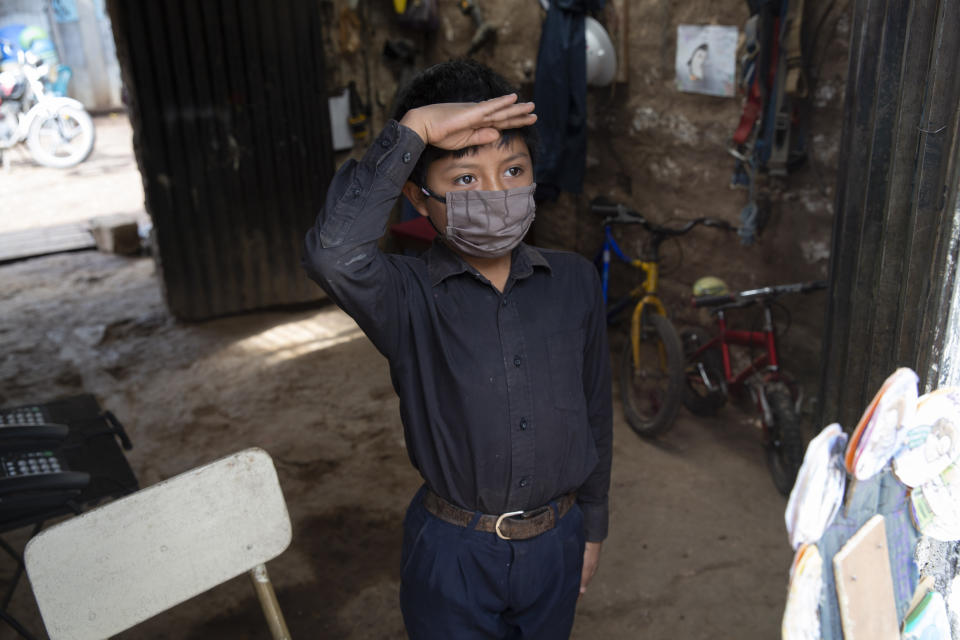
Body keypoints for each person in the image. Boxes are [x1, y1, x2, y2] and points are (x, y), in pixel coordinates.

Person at [302, 58, 612, 639]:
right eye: (465, 179)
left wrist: (592, 525)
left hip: (558, 541)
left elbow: (596, 410)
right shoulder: (405, 296)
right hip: (453, 553)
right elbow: (331, 255)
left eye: (513, 169)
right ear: (420, 200)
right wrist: (413, 131)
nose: (497, 193)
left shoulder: (573, 282)